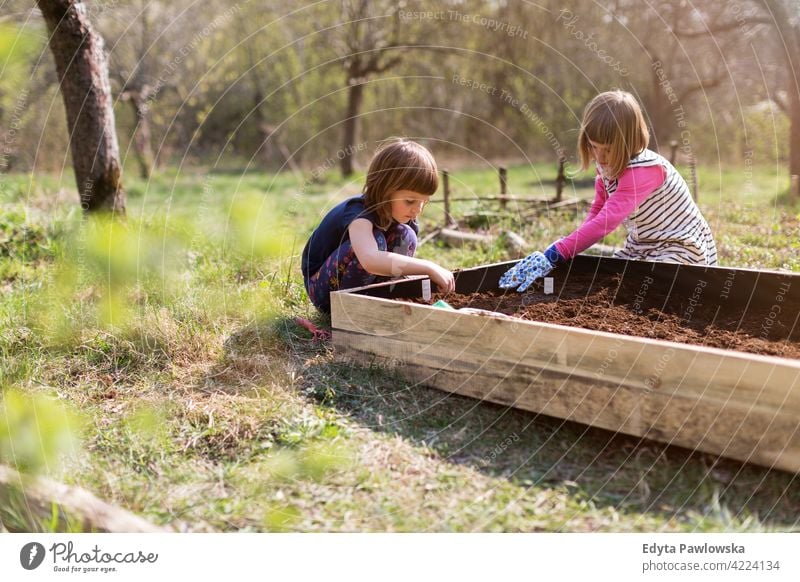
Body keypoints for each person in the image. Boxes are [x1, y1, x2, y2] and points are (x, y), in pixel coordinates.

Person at [500, 90, 717, 292]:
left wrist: (557, 253)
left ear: (629, 143)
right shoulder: (608, 165)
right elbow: (597, 210)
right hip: (642, 247)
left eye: (608, 149)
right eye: (594, 147)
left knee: (646, 290)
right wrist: (567, 249)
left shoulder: (643, 171)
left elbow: (606, 221)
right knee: (610, 283)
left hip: (680, 248)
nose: (600, 157)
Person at [302, 138, 455, 313]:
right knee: (377, 242)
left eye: (424, 202)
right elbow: (370, 260)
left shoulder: (406, 221)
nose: (418, 209)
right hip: (323, 288)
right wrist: (428, 267)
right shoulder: (358, 212)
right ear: (385, 190)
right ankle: (351, 312)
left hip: (361, 283)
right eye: (410, 201)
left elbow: (398, 265)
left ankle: (381, 302)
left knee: (406, 235)